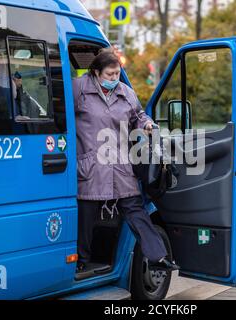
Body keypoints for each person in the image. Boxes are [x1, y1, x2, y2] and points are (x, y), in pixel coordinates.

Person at [72, 48, 180, 276]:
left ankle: (158, 256)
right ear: (96, 72)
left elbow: (139, 116)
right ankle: (82, 260)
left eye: (117, 73)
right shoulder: (78, 89)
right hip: (90, 164)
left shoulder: (126, 93)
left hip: (120, 164)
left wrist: (147, 124)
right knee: (86, 214)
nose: (114, 79)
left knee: (135, 210)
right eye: (109, 74)